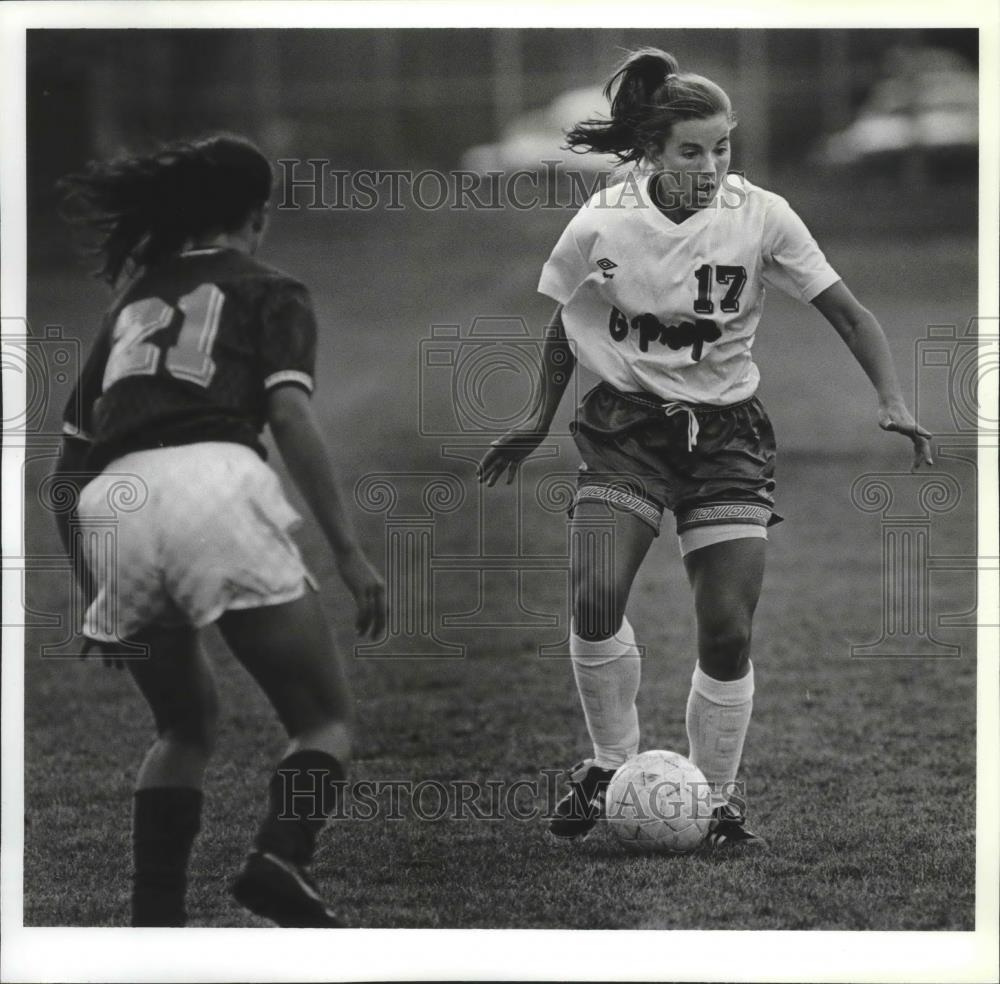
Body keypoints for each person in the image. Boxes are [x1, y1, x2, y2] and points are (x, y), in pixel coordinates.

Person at [478, 49, 932, 849]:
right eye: (693, 149)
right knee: (594, 592)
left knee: (726, 626)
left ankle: (716, 798)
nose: (713, 164)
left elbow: (851, 314)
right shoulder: (603, 221)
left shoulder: (763, 216)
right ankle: (609, 762)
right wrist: (536, 417)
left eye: (723, 146)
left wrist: (892, 399)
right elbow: (566, 325)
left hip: (725, 435)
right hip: (624, 428)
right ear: (653, 150)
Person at [53, 134, 385, 925]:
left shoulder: (131, 304)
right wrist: (348, 552)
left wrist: (97, 592)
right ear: (258, 216)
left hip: (114, 498)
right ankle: (279, 858)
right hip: (213, 479)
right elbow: (290, 414)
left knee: (181, 725)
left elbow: (65, 476)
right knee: (323, 719)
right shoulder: (272, 289)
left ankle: (155, 924)